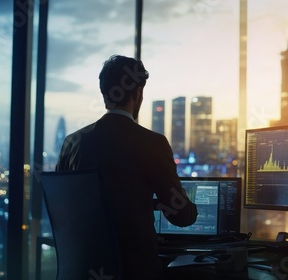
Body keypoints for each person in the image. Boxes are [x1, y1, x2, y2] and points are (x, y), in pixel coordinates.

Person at [56, 54, 198, 279]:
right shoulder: (153, 143)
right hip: (135, 270)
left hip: (80, 269)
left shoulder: (72, 142)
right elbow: (181, 216)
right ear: (138, 93)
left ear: (105, 95)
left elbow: (63, 209)